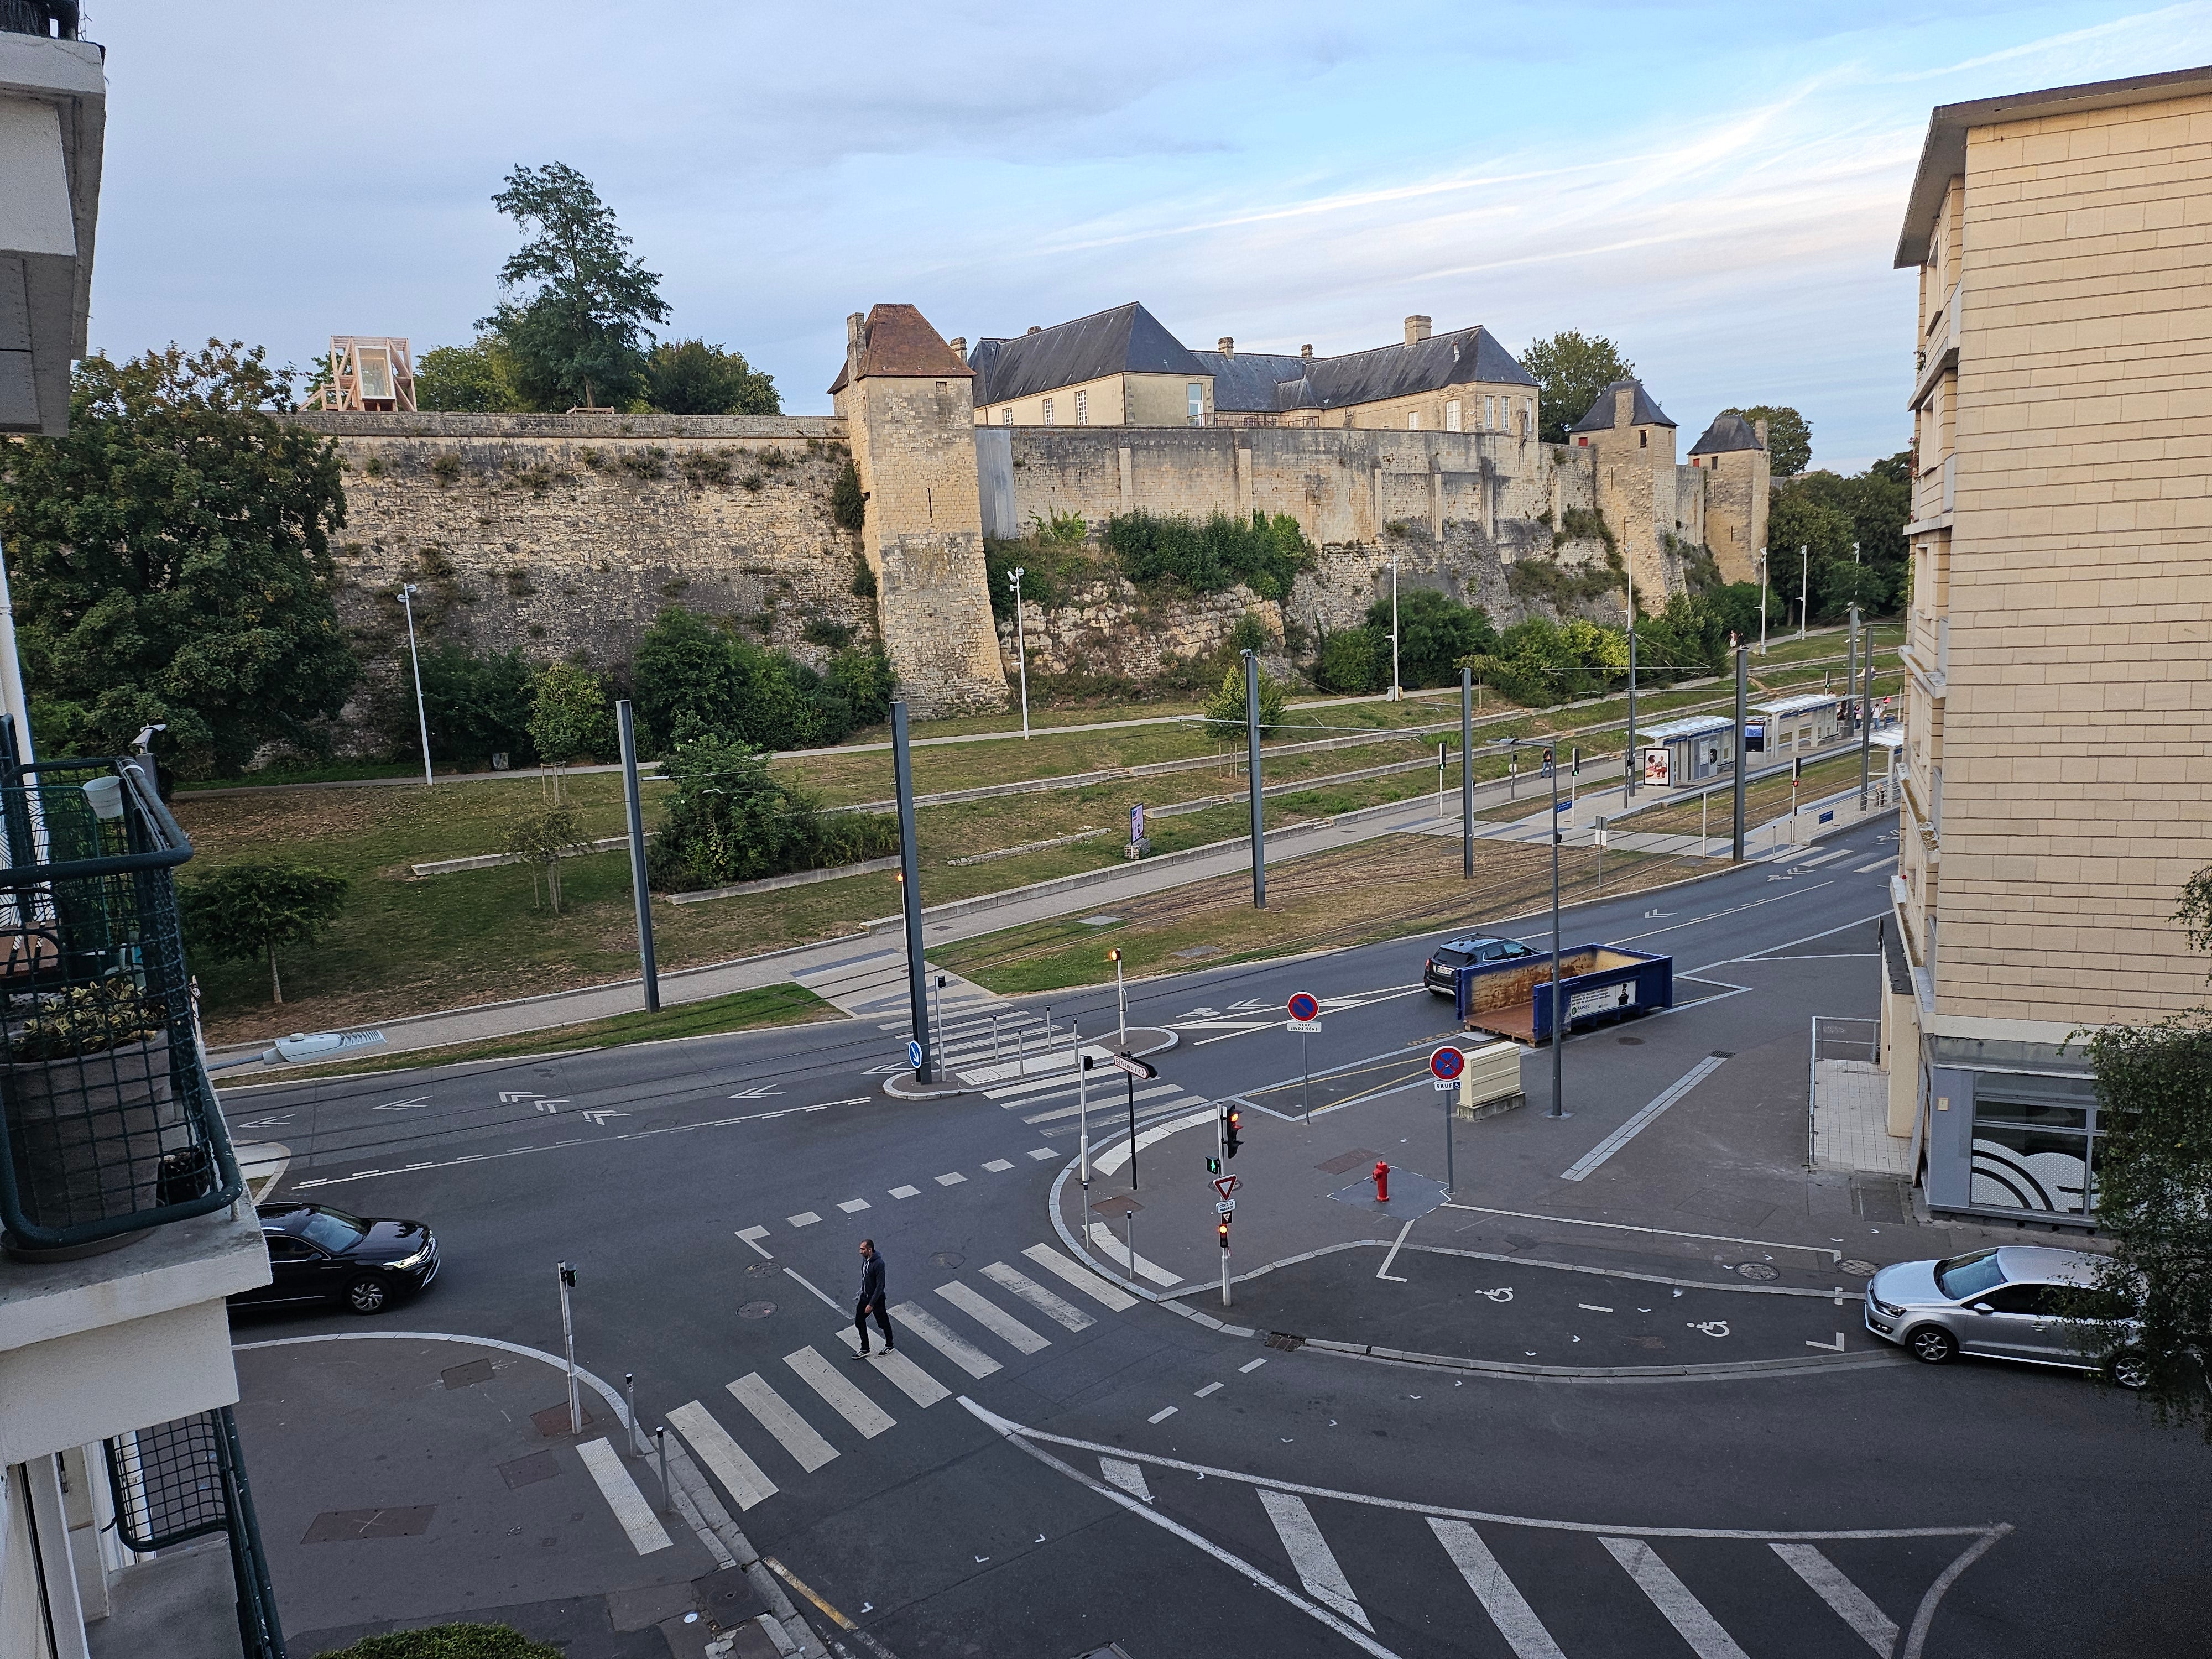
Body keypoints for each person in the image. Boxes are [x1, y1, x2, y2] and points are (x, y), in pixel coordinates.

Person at [852, 1238, 893, 1359]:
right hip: (865, 1297)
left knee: (883, 1322)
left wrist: (871, 1304)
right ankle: (865, 1348)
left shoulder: (879, 1264)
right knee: (859, 1321)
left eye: (863, 1249)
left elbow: (880, 1286)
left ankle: (890, 1345)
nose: (860, 1251)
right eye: (860, 1249)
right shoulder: (865, 1260)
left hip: (876, 1299)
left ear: (870, 1250)